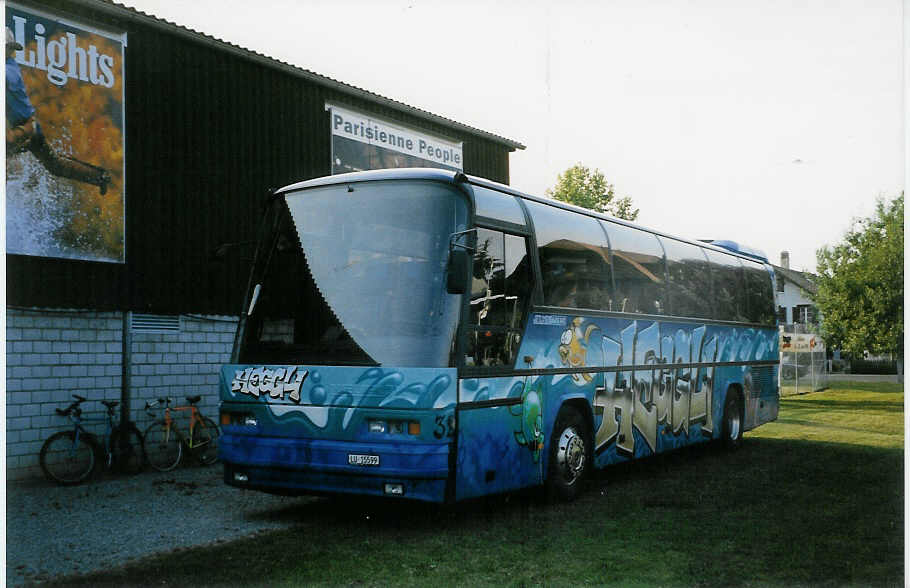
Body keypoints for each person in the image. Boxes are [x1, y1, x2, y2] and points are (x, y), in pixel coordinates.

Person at [6, 27, 111, 194]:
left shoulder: (9, 70)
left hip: (27, 129)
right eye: (8, 48)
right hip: (24, 128)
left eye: (9, 48)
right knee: (54, 165)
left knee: (10, 146)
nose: (9, 51)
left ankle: (99, 176)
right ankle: (99, 177)